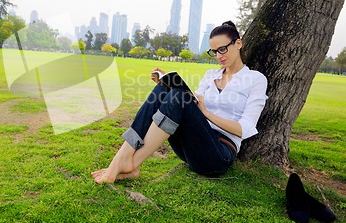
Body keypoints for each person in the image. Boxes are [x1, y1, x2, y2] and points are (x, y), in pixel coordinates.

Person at [91, 21, 268, 184]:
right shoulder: (211, 75)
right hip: (191, 146)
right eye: (214, 52)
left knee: (177, 95)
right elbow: (191, 101)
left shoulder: (256, 79)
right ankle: (123, 158)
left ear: (238, 44)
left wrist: (207, 114)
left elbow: (245, 129)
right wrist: (167, 82)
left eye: (222, 49)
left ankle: (128, 164)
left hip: (219, 154)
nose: (218, 56)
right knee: (164, 89)